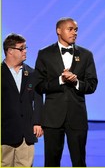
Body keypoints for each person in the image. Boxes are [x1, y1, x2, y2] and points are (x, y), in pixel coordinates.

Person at [34, 17, 98, 167]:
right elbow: (39, 85)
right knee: (51, 162)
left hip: (77, 117)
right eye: (70, 29)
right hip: (53, 118)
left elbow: (92, 85)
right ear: (58, 30)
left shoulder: (86, 55)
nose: (74, 33)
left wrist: (76, 82)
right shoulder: (45, 54)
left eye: (76, 30)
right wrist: (61, 80)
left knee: (79, 161)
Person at [1, 33, 43, 167]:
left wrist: (37, 122)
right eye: (21, 48)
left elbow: (37, 99)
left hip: (27, 134)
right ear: (10, 51)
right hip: (4, 134)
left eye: (25, 48)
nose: (25, 51)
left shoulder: (31, 73)